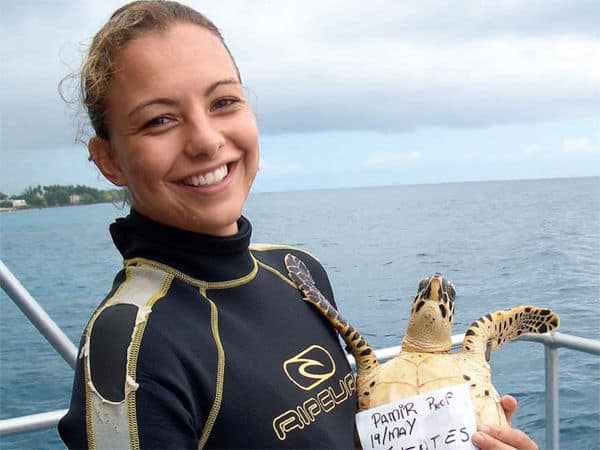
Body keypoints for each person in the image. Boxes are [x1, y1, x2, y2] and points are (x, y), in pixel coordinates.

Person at [58, 1, 539, 449]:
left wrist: (456, 435)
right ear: (109, 161)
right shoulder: (131, 350)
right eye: (160, 120)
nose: (206, 140)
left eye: (224, 102)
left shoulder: (296, 270)